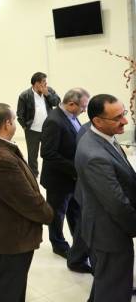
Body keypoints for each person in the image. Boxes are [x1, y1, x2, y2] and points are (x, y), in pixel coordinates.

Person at [0, 103, 53, 302]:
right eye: (14, 120)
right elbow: (27, 200)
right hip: (9, 239)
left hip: (3, 234)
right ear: (7, 123)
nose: (15, 124)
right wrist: (49, 215)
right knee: (6, 289)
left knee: (9, 285)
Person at [75, 94, 136, 302]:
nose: (125, 121)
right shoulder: (95, 156)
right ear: (98, 121)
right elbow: (116, 203)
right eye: (117, 118)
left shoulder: (103, 136)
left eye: (123, 113)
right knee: (115, 290)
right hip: (108, 233)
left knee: (107, 282)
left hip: (104, 227)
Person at [40, 88, 91, 271]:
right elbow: (48, 153)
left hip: (72, 178)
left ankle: (79, 245)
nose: (85, 110)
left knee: (75, 211)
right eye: (83, 107)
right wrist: (75, 168)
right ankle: (58, 244)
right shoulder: (54, 121)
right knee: (57, 214)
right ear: (71, 104)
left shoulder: (72, 116)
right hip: (59, 179)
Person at [16, 72, 60, 177]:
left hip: (47, 129)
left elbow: (57, 102)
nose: (45, 84)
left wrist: (47, 94)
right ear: (36, 83)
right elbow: (20, 114)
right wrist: (25, 126)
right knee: (32, 155)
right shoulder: (25, 95)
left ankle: (49, 173)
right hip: (32, 130)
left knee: (49, 152)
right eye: (43, 82)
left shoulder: (49, 91)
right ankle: (33, 175)